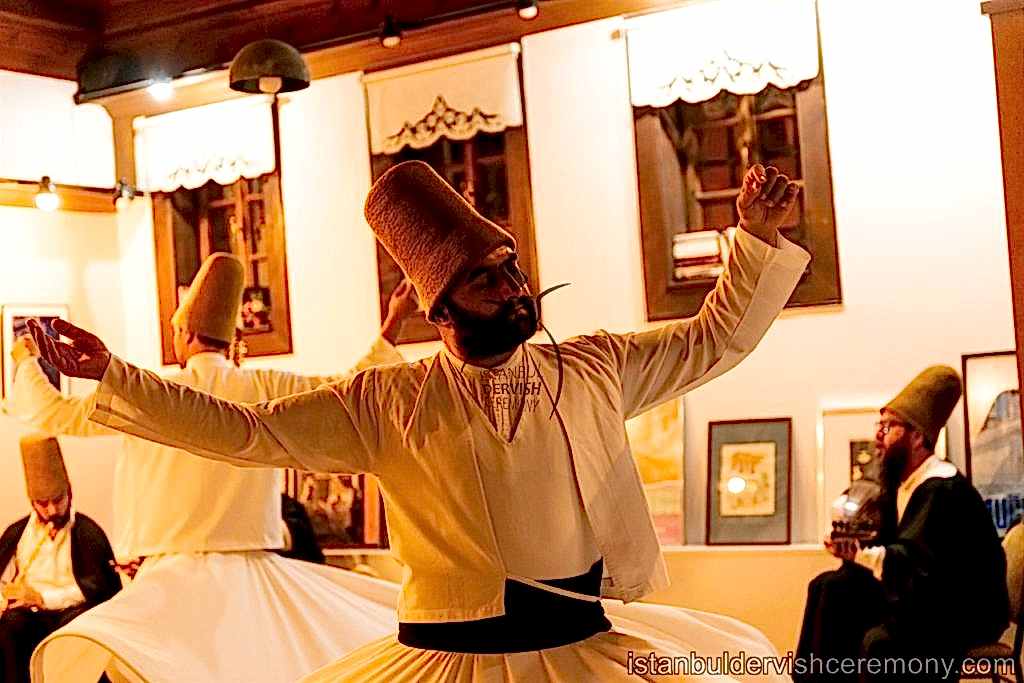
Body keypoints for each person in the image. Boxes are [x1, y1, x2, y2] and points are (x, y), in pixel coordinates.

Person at [31, 160, 809, 682]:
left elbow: (713, 338)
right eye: (485, 278)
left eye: (511, 268)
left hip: (582, 651)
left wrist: (755, 240)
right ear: (440, 308)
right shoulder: (389, 402)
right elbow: (244, 428)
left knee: (743, 664)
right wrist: (113, 372)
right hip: (445, 660)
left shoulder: (594, 366)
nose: (512, 288)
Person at [7, 253, 418, 682]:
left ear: (184, 333)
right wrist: (392, 326)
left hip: (172, 580)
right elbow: (349, 389)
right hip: (255, 577)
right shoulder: (263, 387)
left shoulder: (154, 394)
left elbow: (52, 413)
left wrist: (25, 361)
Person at [795, 366, 1010, 682]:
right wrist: (850, 546)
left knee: (882, 642)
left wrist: (859, 553)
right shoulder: (902, 485)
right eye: (879, 425)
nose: (878, 436)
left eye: (889, 426)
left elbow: (918, 566)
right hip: (920, 596)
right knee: (828, 588)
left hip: (959, 609)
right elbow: (889, 547)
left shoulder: (942, 488)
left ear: (918, 436)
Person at [0, 435, 120, 683]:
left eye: (58, 500)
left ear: (69, 494)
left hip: (71, 613)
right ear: (32, 502)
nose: (53, 511)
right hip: (29, 616)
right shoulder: (19, 533)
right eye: (43, 504)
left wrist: (44, 598)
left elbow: (96, 589)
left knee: (77, 631)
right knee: (10, 625)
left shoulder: (88, 533)